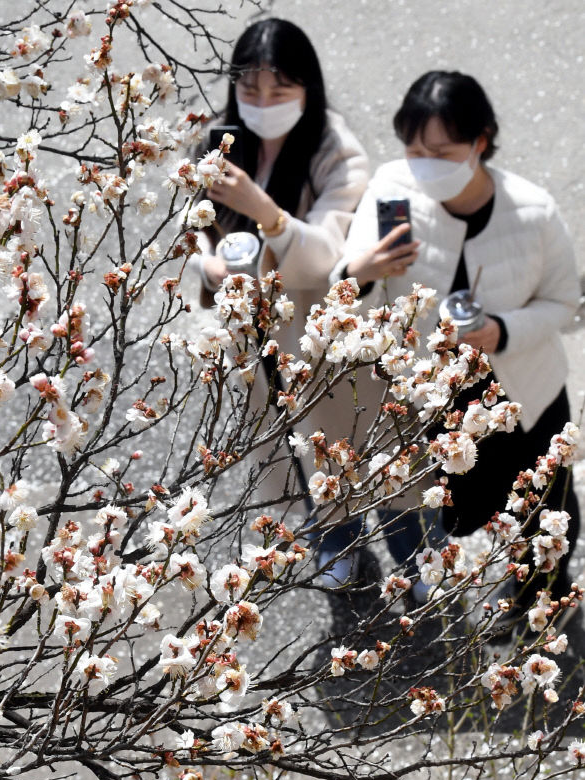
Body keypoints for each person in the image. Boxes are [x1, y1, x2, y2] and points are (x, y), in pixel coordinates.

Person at [338, 70, 581, 616]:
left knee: (543, 506)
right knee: (444, 503)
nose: (423, 164)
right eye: (413, 148)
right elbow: (351, 287)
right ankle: (439, 589)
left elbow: (563, 302)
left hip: (523, 389)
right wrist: (362, 269)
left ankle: (536, 599)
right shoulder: (392, 190)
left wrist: (505, 330)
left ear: (482, 141)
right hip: (434, 397)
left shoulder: (534, 211)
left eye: (442, 152)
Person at [193, 18, 371, 587]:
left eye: (279, 91)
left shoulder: (335, 152)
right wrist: (205, 260)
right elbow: (189, 223)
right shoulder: (220, 140)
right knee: (283, 450)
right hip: (248, 332)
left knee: (332, 447)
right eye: (250, 91)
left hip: (314, 333)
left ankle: (360, 542)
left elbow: (325, 254)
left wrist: (264, 209)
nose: (263, 104)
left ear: (307, 89)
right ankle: (326, 540)